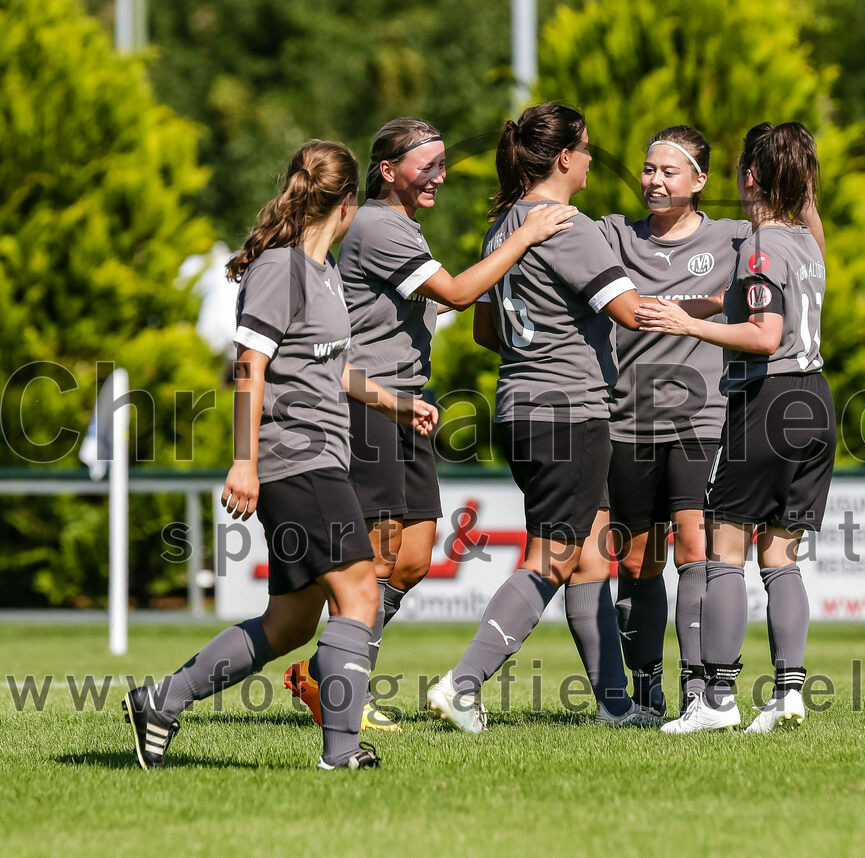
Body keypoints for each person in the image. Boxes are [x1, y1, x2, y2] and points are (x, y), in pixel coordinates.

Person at [122, 140, 437, 771]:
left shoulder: (323, 274)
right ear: (346, 204)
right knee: (360, 596)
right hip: (297, 458)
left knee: (293, 623)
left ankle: (161, 701)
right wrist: (244, 461)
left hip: (320, 457)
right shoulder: (280, 268)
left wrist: (394, 404)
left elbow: (332, 369)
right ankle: (341, 754)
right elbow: (248, 366)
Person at [283, 118, 576, 731]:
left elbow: (443, 297)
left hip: (404, 405)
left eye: (445, 162)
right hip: (369, 406)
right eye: (429, 164)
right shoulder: (378, 225)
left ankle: (322, 671)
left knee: (413, 558)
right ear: (388, 171)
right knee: (378, 559)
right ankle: (339, 683)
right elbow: (460, 294)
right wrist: (524, 237)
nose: (441, 174)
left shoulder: (398, 227)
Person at [427, 102, 658, 732]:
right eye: (585, 149)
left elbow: (482, 331)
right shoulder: (568, 226)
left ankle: (616, 706)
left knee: (588, 559)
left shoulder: (502, 226)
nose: (589, 159)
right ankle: (463, 684)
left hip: (521, 405)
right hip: (568, 412)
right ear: (564, 158)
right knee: (554, 556)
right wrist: (709, 310)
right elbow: (633, 313)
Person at [599, 126, 824, 720]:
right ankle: (788, 692)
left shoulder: (751, 243)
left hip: (757, 400)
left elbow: (763, 332)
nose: (654, 180)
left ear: (741, 177)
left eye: (668, 171)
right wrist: (693, 307)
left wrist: (687, 326)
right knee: (778, 556)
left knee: (720, 551)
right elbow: (760, 298)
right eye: (648, 170)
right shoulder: (804, 241)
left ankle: (714, 696)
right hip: (811, 399)